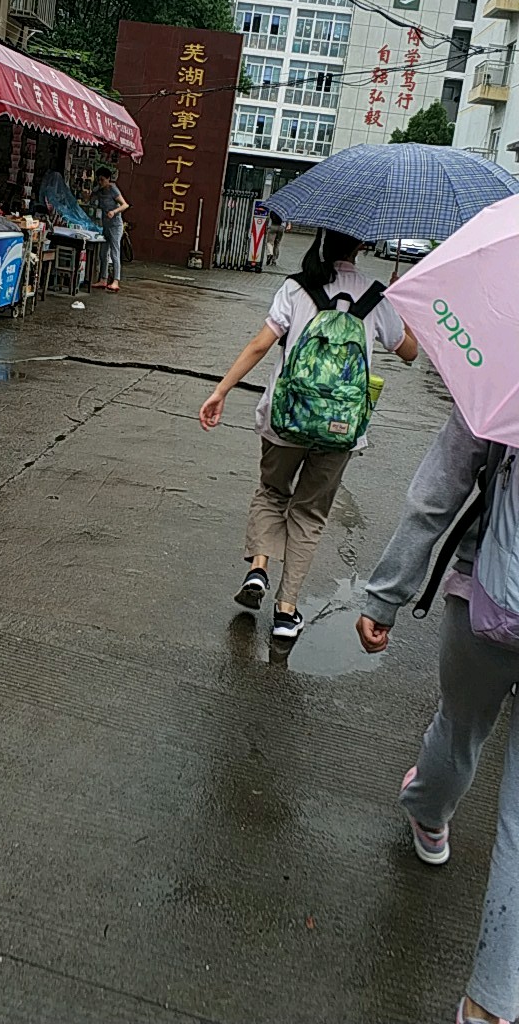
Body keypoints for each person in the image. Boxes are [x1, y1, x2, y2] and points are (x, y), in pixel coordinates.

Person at [357, 407, 518, 1024]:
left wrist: (387, 595)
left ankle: (428, 816)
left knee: (459, 727)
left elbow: (437, 492)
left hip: (486, 603)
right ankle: (490, 1006)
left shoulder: (503, 372)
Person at [199, 229, 417, 639]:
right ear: (360, 246)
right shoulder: (374, 296)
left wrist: (220, 390)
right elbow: (409, 352)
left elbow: (260, 345)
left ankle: (258, 569)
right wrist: (400, 303)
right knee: (309, 514)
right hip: (341, 429)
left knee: (271, 491)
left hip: (285, 418)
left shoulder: (296, 288)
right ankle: (286, 612)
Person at [91, 169, 129, 293]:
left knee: (114, 252)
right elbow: (91, 198)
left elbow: (125, 205)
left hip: (115, 225)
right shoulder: (99, 190)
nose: (100, 182)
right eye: (99, 179)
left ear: (108, 179)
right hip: (105, 225)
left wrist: (114, 211)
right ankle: (103, 278)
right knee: (103, 253)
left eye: (102, 180)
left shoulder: (113, 190)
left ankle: (116, 281)